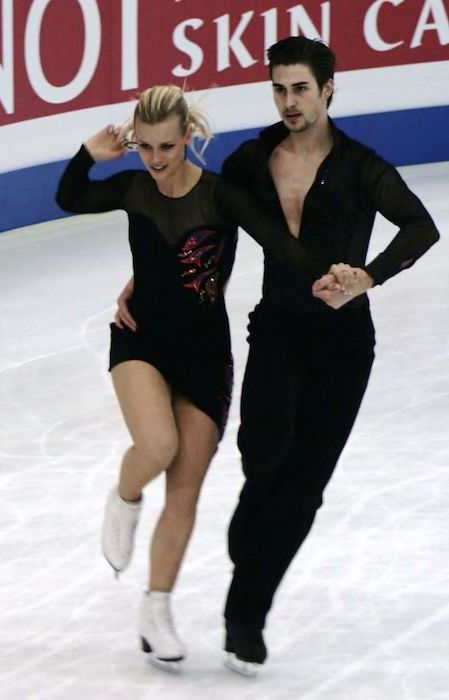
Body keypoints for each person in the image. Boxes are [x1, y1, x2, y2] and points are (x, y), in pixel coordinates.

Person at [114, 39, 440, 676]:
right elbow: (202, 225)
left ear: (327, 90)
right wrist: (147, 280)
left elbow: (421, 227)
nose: (289, 101)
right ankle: (251, 536)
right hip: (277, 333)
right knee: (264, 461)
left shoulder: (360, 167)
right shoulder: (249, 161)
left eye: (300, 89)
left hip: (345, 346)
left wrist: (367, 277)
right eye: (279, 89)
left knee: (305, 486)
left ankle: (247, 614)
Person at [55, 84, 335, 670]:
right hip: (142, 342)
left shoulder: (220, 198)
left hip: (205, 359)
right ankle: (125, 496)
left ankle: (155, 611)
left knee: (185, 487)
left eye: (166, 146)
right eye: (145, 147)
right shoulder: (133, 187)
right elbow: (70, 196)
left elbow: (279, 245)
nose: (156, 159)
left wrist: (330, 275)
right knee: (157, 446)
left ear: (189, 137)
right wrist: (90, 153)